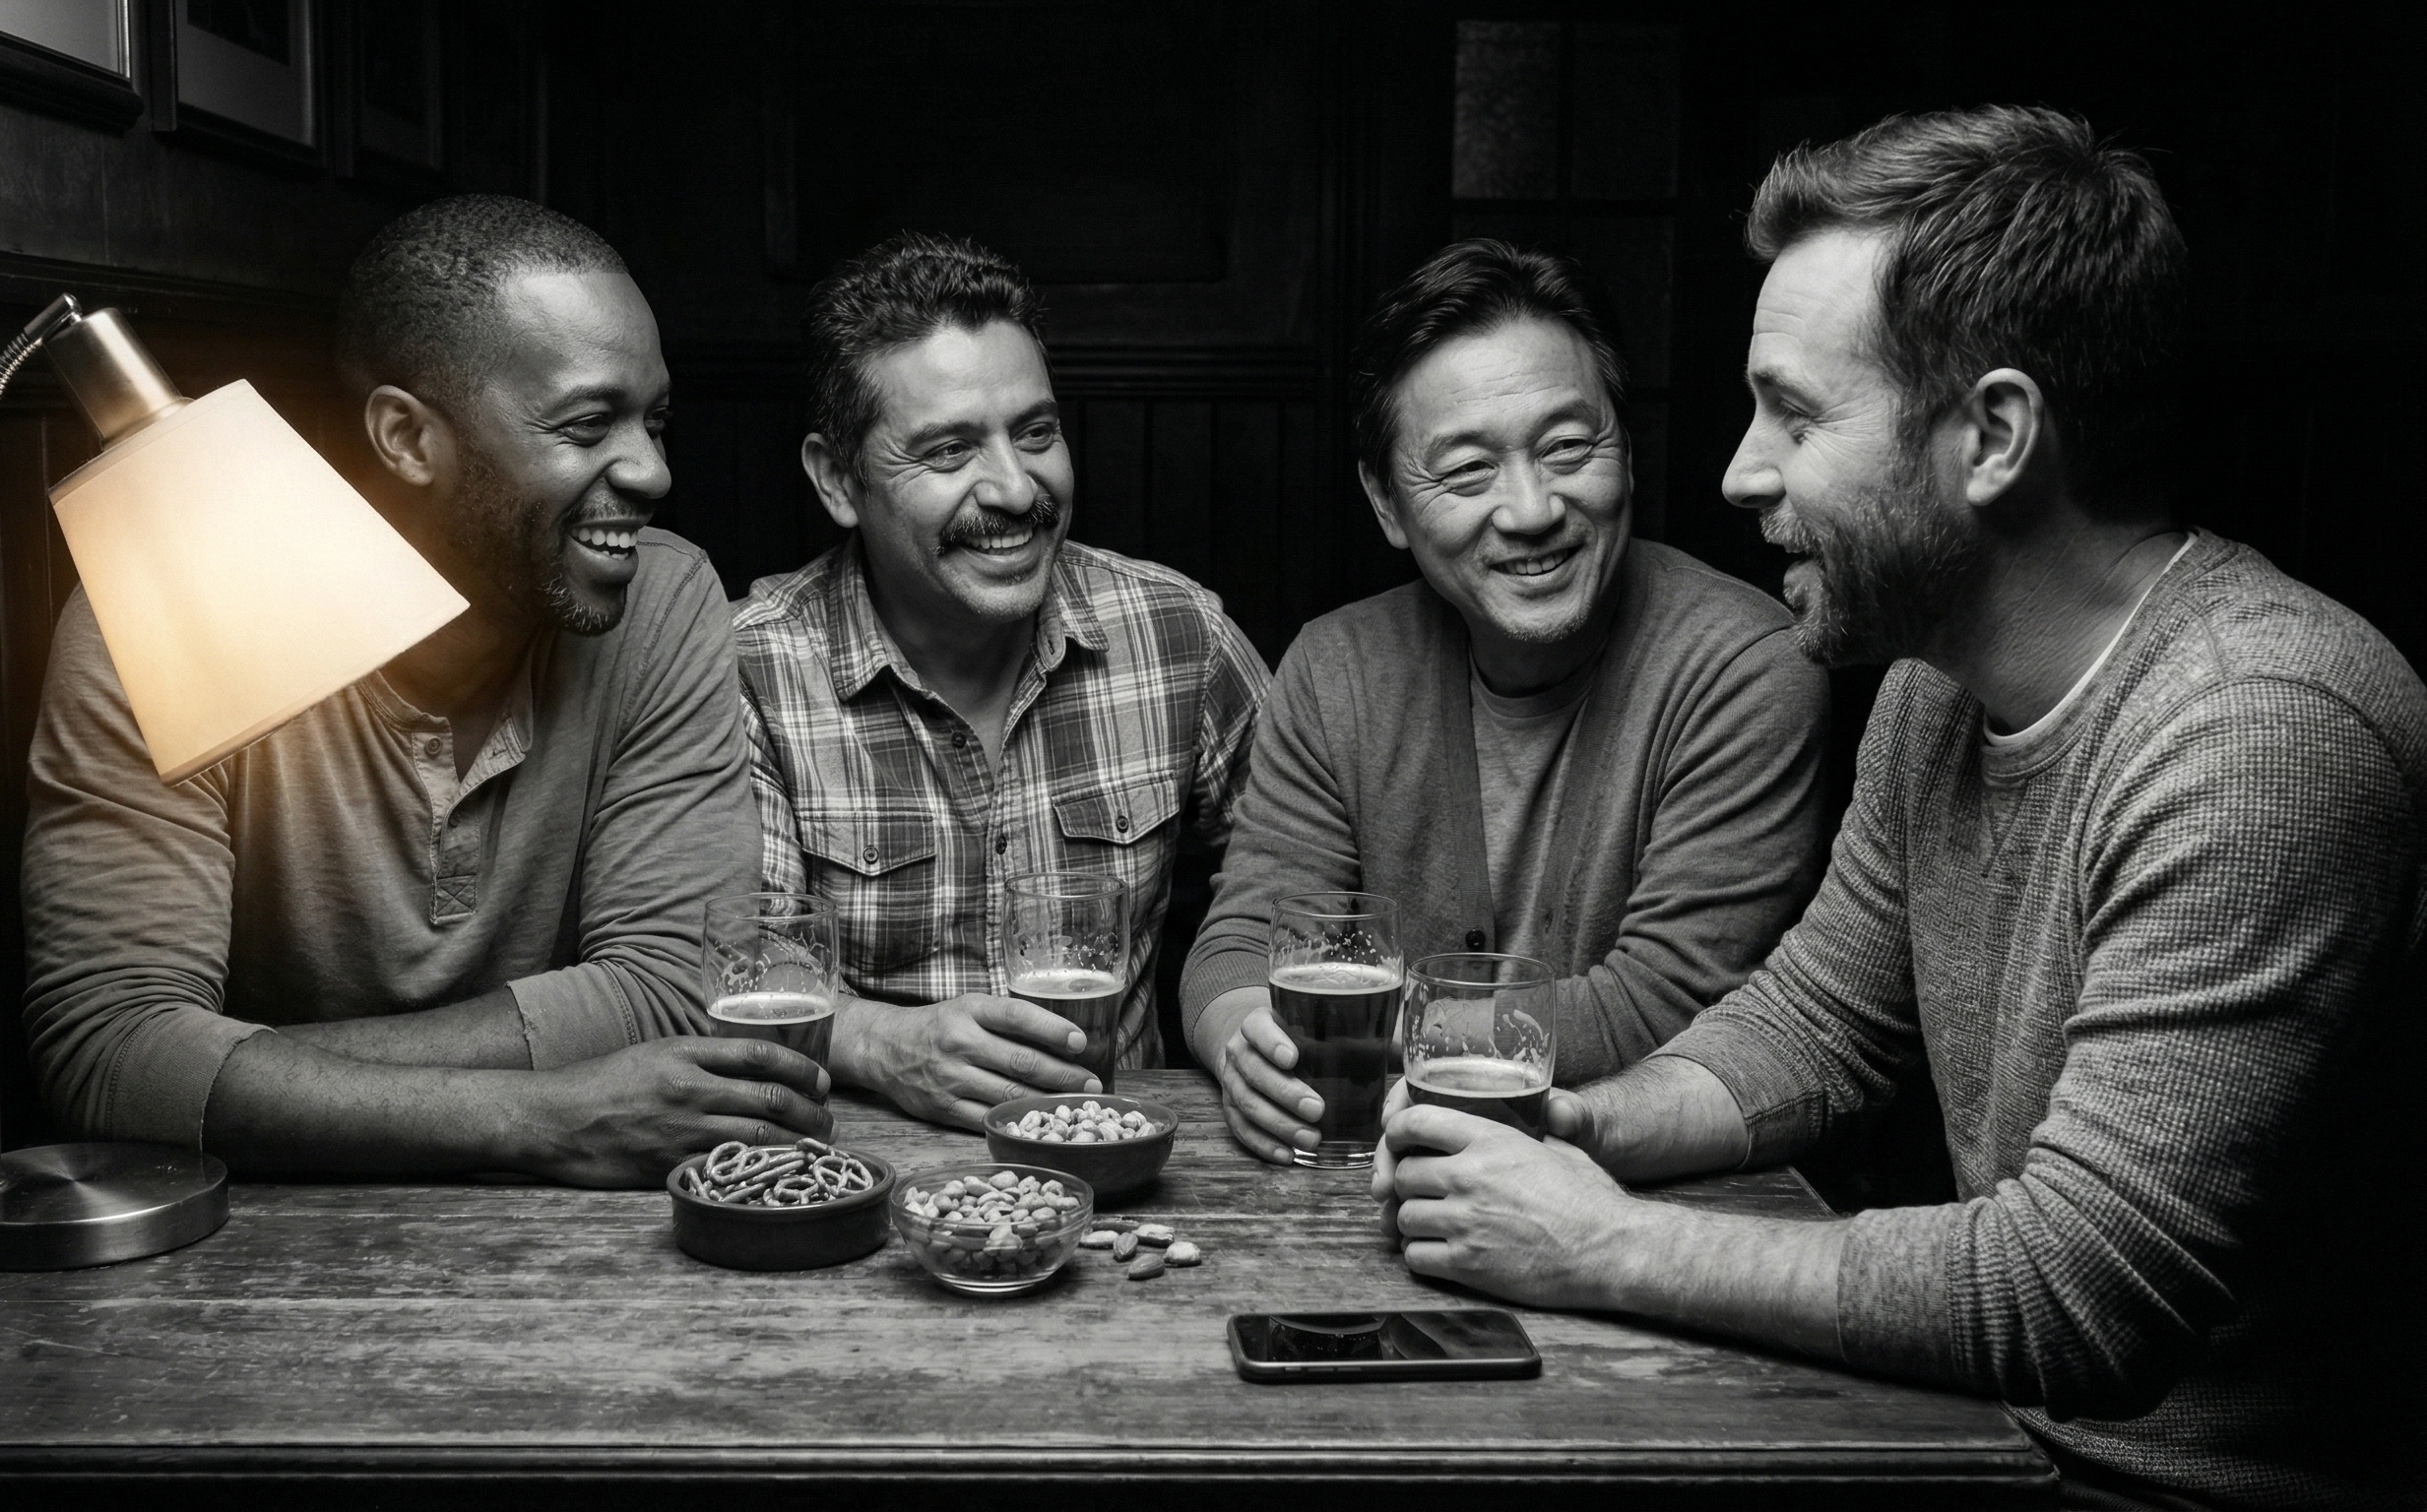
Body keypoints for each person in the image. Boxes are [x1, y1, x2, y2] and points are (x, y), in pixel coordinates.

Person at [1374, 108, 2425, 1510]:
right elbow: (1815, 1024)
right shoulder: (1939, 685)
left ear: (1992, 435)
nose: (1741, 472)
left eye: (1796, 414)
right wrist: (1584, 1131)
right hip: (1969, 1437)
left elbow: (2081, 1295)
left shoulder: (2267, 729)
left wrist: (1602, 1245)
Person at [23, 195, 829, 1183]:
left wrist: (243, 1071)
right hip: (252, 1247)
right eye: (588, 424)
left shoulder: (660, 595)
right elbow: (110, 1050)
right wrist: (541, 1117)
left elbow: (670, 990)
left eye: (655, 420)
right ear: (407, 438)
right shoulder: (160, 620)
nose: (653, 470)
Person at [1186, 240, 1830, 1165]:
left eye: (1569, 447)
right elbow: (1245, 943)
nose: (1531, 509)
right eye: (1466, 472)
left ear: (1628, 447)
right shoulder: (1338, 666)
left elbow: (1667, 1001)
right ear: (1386, 504)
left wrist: (1354, 1031)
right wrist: (1253, 1043)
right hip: (1352, 1183)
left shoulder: (1746, 663)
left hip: (1643, 1190)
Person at [736, 231, 1270, 1130]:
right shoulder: (755, 670)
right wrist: (877, 1043)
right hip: (849, 1176)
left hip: (1122, 1163)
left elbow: (1300, 886)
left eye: (1036, 434)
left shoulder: (1180, 634)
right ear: (837, 480)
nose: (1017, 491)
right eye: (948, 452)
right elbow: (733, 968)